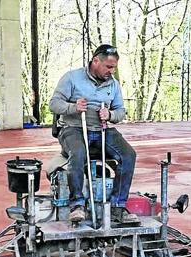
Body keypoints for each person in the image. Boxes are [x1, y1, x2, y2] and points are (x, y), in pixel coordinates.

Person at [49, 44, 138, 223]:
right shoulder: (72, 78)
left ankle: (117, 207)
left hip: (102, 129)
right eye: (108, 67)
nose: (111, 72)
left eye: (114, 68)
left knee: (128, 155)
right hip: (73, 128)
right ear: (95, 61)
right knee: (78, 153)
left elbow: (121, 111)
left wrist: (110, 115)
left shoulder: (113, 85)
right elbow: (54, 104)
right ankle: (77, 205)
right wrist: (73, 107)